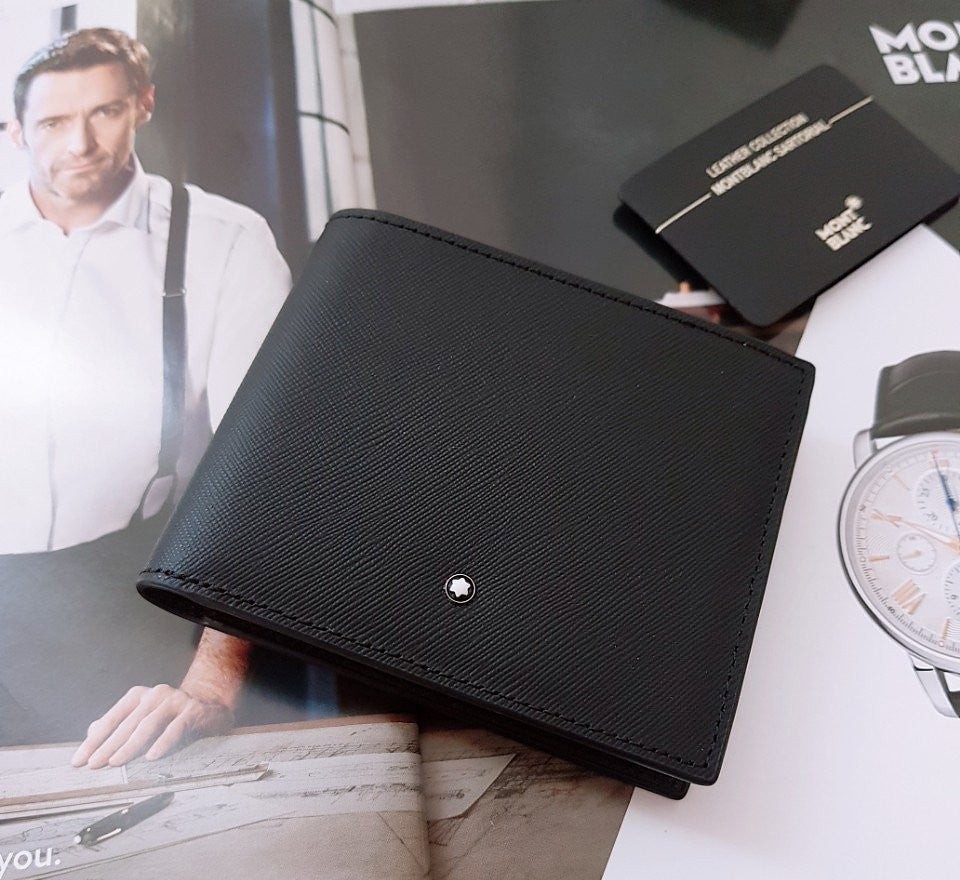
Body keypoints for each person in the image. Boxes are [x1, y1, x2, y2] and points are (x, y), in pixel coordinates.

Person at [0, 28, 290, 766]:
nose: (80, 143)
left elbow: (265, 472)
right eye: (53, 122)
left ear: (143, 106)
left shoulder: (225, 241)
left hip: (129, 603)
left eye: (104, 112)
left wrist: (212, 683)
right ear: (15, 131)